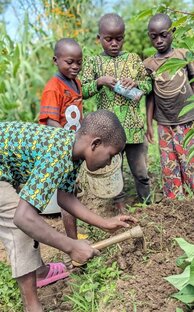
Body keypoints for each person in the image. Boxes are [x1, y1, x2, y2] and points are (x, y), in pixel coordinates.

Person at [0, 109, 134, 312]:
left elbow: (65, 197)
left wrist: (105, 223)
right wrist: (71, 247)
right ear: (95, 144)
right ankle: (32, 306)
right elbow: (23, 217)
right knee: (20, 225)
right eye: (111, 155)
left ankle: (37, 273)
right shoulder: (58, 154)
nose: (109, 162)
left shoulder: (71, 149)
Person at [81, 13, 152, 210]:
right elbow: (82, 91)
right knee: (114, 170)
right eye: (108, 39)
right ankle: (119, 205)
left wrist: (136, 82)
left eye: (118, 39)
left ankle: (147, 204)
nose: (114, 44)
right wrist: (99, 82)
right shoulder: (93, 62)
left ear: (124, 38)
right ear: (99, 39)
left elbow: (148, 85)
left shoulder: (133, 59)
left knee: (140, 171)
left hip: (133, 128)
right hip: (108, 131)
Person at [144, 13, 194, 199]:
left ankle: (191, 198)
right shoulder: (149, 64)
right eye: (153, 36)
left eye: (163, 35)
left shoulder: (184, 55)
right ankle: (175, 200)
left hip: (187, 119)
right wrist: (149, 124)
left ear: (172, 32)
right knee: (168, 161)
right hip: (164, 122)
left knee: (189, 159)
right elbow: (149, 96)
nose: (159, 40)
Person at [39, 38, 83, 246]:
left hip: (73, 147)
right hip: (61, 148)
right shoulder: (53, 88)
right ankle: (72, 240)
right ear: (56, 60)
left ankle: (73, 235)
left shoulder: (76, 83)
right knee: (66, 195)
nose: (75, 67)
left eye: (79, 62)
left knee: (71, 191)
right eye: (69, 62)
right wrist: (70, 141)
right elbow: (50, 121)